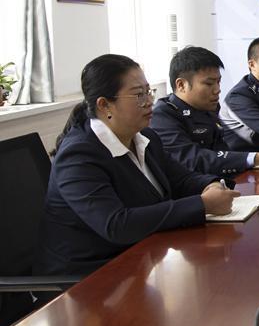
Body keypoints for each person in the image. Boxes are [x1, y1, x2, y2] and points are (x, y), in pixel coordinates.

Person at [36, 54, 238, 276]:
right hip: (89, 276)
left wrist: (210, 185)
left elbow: (181, 178)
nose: (149, 101)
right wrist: (202, 204)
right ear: (104, 105)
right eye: (139, 95)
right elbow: (116, 225)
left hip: (141, 257)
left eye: (149, 91)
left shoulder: (145, 137)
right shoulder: (78, 155)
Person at [150, 46, 259, 176]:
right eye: (209, 84)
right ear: (181, 85)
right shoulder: (162, 116)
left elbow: (221, 151)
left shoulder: (208, 108)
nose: (217, 90)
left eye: (218, 82)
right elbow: (194, 160)